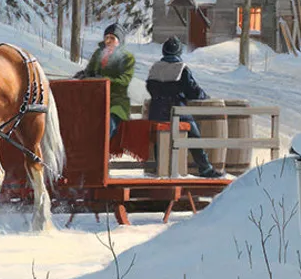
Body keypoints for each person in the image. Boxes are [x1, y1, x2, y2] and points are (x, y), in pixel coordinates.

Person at [146, 36, 225, 178]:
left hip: (156, 112)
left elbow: (150, 87)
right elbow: (193, 91)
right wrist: (204, 97)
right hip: (175, 111)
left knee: (159, 138)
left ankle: (160, 167)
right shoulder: (181, 69)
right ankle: (205, 168)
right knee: (194, 134)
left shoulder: (155, 68)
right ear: (178, 52)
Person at [75, 23, 135, 138]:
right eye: (106, 38)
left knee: (107, 125)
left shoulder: (127, 58)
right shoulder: (98, 53)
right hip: (95, 99)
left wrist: (104, 81)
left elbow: (124, 80)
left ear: (119, 41)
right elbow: (90, 71)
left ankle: (103, 150)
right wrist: (83, 75)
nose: (108, 41)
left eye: (112, 38)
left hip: (116, 101)